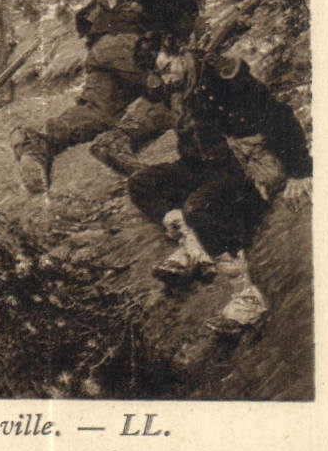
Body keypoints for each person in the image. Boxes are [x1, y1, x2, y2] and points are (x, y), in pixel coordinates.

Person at [9, 0, 210, 194]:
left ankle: (38, 142)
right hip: (134, 45)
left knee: (98, 111)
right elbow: (183, 27)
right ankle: (119, 139)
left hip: (105, 44)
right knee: (172, 93)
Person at [126, 55, 311, 335]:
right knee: (142, 183)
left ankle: (247, 299)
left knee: (198, 208)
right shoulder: (180, 88)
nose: (166, 80)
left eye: (167, 69)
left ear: (182, 53)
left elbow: (280, 116)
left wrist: (299, 171)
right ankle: (193, 244)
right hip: (207, 166)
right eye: (159, 75)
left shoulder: (224, 80)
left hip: (246, 169)